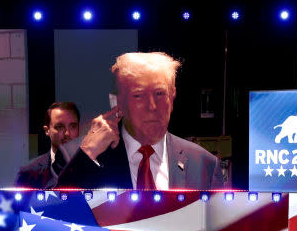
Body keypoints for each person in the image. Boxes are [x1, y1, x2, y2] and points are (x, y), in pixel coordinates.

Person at [57, 52, 223, 190]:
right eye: (139, 95)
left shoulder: (203, 164)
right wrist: (88, 152)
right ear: (117, 103)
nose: (152, 106)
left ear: (172, 96)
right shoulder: (76, 156)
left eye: (160, 93)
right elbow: (49, 217)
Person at [17, 102, 81, 189]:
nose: (67, 133)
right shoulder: (28, 171)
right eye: (59, 127)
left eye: (73, 126)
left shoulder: (93, 168)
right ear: (47, 130)